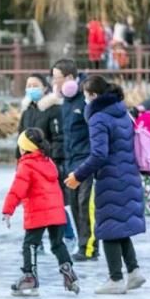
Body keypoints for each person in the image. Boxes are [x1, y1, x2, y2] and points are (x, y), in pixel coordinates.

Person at [64, 76, 146, 294]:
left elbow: (99, 154)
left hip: (111, 178)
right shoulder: (121, 111)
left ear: (94, 96)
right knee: (119, 225)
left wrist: (78, 175)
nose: (84, 99)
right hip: (128, 174)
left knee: (108, 226)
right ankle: (134, 271)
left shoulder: (99, 118)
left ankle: (115, 279)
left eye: (86, 94)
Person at [3, 128, 79, 296]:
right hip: (56, 211)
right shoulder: (48, 162)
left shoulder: (26, 165)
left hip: (38, 212)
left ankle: (30, 276)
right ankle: (68, 270)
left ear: (24, 148)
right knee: (57, 244)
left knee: (30, 244)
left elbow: (17, 190)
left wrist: (8, 210)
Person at [18, 72, 74, 248]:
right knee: (33, 203)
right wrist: (18, 160)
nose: (31, 89)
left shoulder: (54, 109)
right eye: (28, 85)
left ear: (45, 88)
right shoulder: (27, 111)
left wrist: (53, 161)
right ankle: (37, 240)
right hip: (28, 164)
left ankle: (68, 234)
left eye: (35, 85)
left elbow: (59, 138)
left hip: (48, 163)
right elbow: (20, 137)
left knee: (54, 202)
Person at [52, 59, 99, 261]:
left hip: (86, 161)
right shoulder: (66, 102)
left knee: (85, 205)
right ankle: (83, 243)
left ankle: (89, 248)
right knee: (73, 204)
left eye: (58, 78)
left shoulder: (85, 99)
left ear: (70, 78)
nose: (55, 83)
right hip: (70, 161)